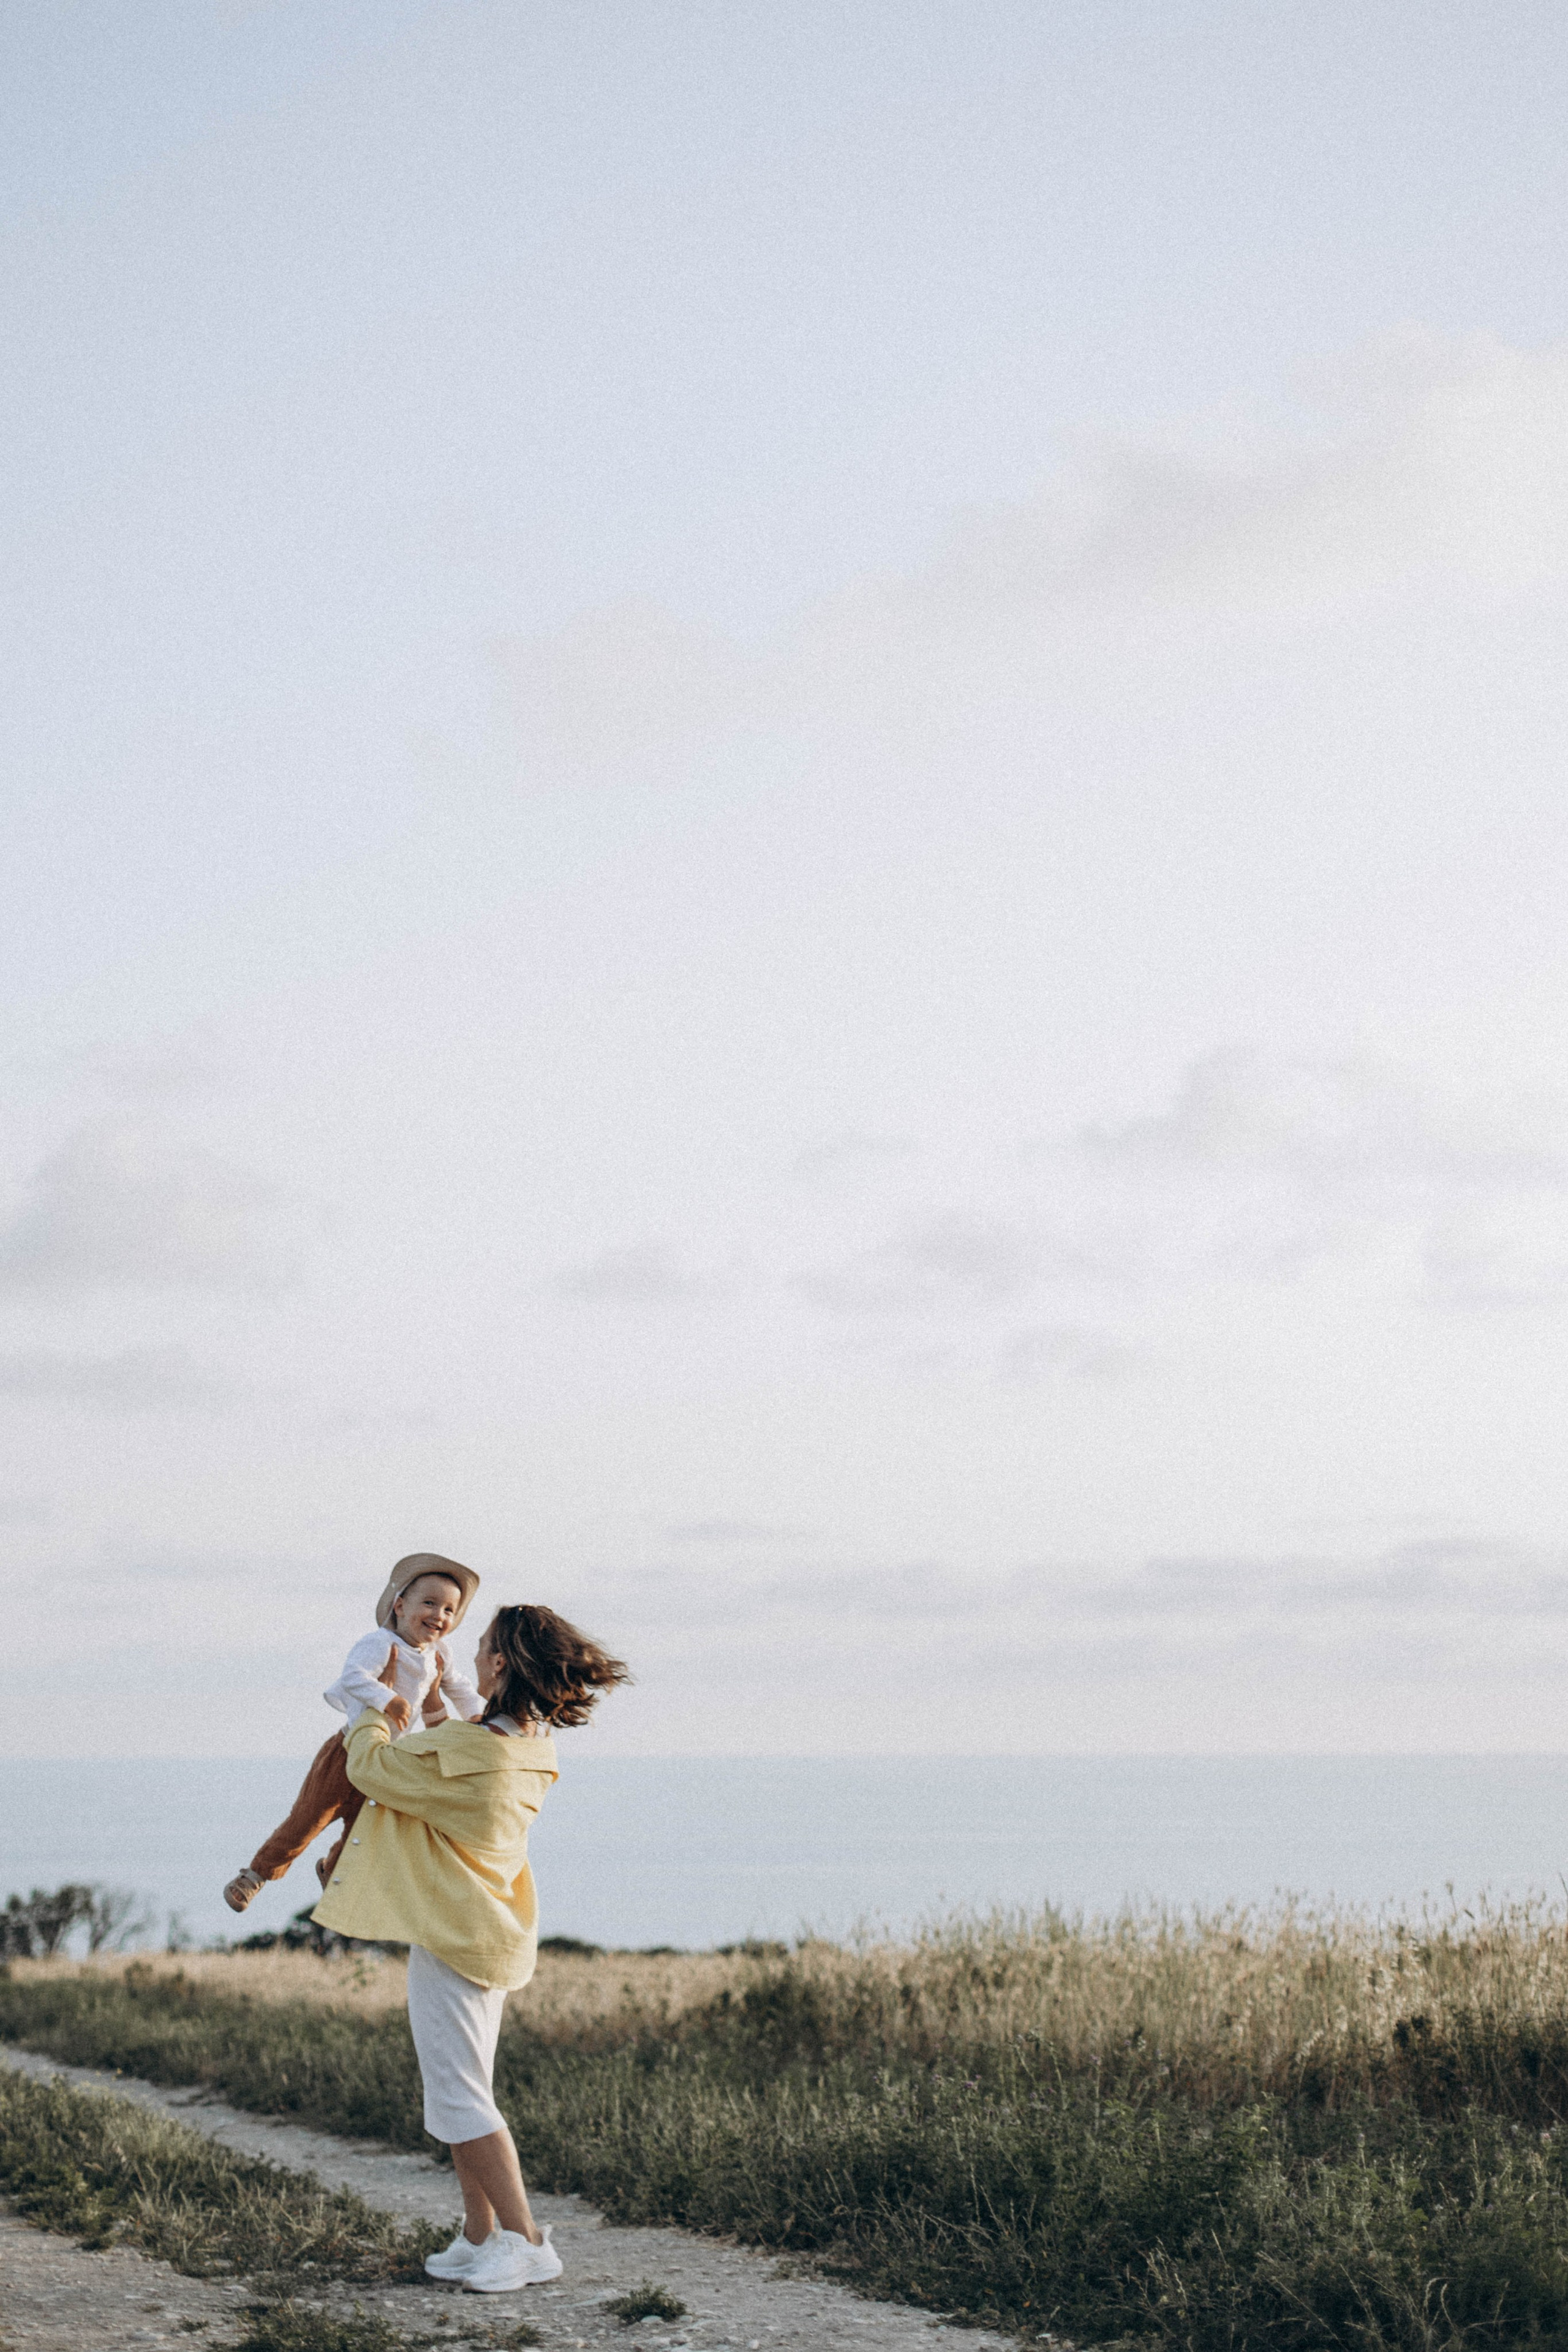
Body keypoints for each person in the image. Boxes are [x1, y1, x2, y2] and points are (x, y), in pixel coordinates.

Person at [312, 1600, 630, 2295]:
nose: (470, 1651)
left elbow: (371, 1767)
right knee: (465, 2089)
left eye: (481, 1644)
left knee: (460, 2097)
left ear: (501, 1663)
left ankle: (525, 2239)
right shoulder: (529, 1745)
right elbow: (452, 1748)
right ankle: (480, 2234)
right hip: (492, 1936)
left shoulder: (473, 1749)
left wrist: (375, 1693)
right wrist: (439, 1697)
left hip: (455, 1940)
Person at [223, 1553, 484, 1915]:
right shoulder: (380, 1643)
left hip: (386, 1759)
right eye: (430, 1603)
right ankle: (255, 1875)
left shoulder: (441, 1654)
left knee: (366, 1829)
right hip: (348, 1751)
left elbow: (459, 1686)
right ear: (399, 1606)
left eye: (449, 1610)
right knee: (308, 1820)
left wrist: (477, 1715)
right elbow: (353, 1677)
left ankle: (333, 1869)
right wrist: (388, 1698)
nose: (439, 1615)